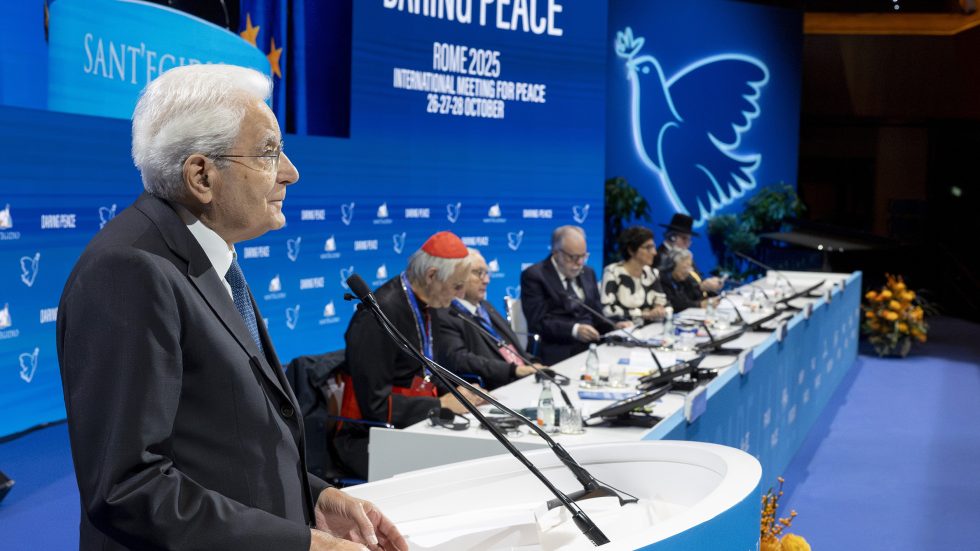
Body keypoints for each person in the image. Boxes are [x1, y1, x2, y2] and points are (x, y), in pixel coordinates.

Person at [57, 64, 406, 551]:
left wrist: (316, 499)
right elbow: (129, 489)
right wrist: (302, 546)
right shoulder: (129, 272)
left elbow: (222, 448)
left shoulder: (202, 255)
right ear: (202, 175)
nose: (290, 171)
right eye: (268, 152)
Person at [336, 231, 484, 479]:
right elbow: (375, 406)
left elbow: (424, 372)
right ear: (432, 276)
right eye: (457, 286)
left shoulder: (428, 303)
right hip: (368, 438)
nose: (460, 294)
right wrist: (439, 404)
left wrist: (461, 392)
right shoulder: (378, 316)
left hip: (412, 425)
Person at [433, 248, 543, 390]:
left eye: (486, 273)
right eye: (479, 273)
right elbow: (459, 360)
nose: (486, 280)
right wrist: (512, 370)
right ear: (458, 275)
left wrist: (532, 363)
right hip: (495, 386)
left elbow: (509, 345)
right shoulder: (445, 314)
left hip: (522, 379)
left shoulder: (485, 306)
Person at [520, 225, 629, 365]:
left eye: (583, 256)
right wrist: (574, 330)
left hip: (592, 346)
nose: (579, 263)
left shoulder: (588, 273)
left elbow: (596, 314)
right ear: (555, 253)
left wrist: (614, 325)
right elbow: (538, 322)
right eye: (573, 257)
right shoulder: (535, 275)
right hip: (557, 348)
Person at [601, 226, 668, 324]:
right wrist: (643, 314)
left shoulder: (651, 273)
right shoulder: (613, 272)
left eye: (653, 247)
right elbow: (608, 310)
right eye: (648, 248)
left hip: (651, 328)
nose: (654, 252)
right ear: (631, 250)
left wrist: (659, 308)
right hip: (625, 329)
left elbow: (665, 304)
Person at [657, 213, 724, 294]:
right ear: (672, 237)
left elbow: (697, 278)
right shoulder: (660, 257)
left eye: (689, 240)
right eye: (684, 238)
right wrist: (701, 287)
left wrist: (709, 284)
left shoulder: (685, 255)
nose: (687, 243)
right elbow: (674, 287)